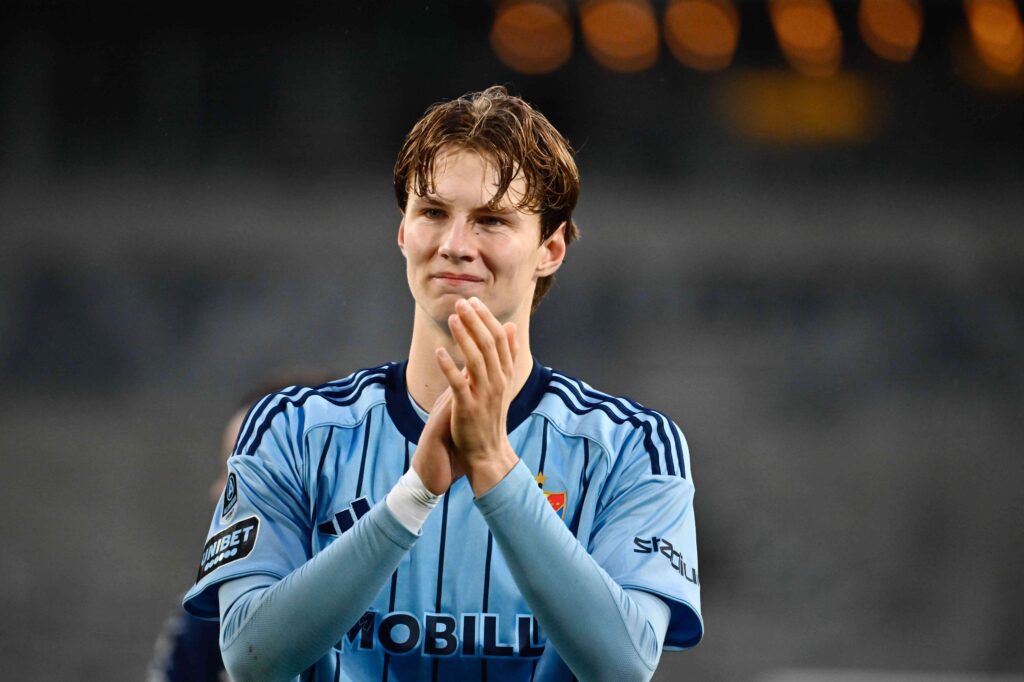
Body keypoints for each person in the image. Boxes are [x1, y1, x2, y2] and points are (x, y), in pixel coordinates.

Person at [183, 85, 703, 681]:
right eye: (432, 212)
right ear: (403, 231)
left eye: (492, 220)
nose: (456, 246)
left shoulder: (633, 446)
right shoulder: (291, 430)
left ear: (551, 248)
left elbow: (625, 665)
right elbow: (250, 657)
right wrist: (414, 496)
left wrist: (495, 469)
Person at [149, 374, 337, 682]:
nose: (218, 492)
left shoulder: (398, 607)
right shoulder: (206, 614)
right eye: (227, 472)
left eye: (245, 473)